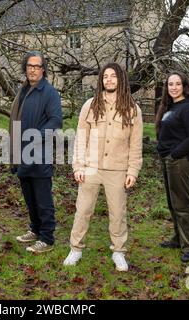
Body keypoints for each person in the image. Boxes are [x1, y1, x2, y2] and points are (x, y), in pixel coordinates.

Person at [63, 63, 143, 271]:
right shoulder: (90, 105)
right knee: (83, 210)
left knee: (118, 213)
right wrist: (78, 166)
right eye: (105, 76)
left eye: (113, 76)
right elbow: (81, 139)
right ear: (101, 81)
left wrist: (132, 171)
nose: (108, 79)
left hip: (117, 169)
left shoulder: (133, 110)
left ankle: (118, 251)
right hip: (90, 167)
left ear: (121, 80)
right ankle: (76, 248)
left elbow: (135, 145)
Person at [9, 51, 63, 253]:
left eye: (37, 66)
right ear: (26, 68)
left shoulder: (49, 92)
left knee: (42, 198)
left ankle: (47, 238)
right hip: (22, 152)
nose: (32, 69)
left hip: (40, 152)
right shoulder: (23, 90)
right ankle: (35, 229)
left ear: (43, 69)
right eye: (30, 66)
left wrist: (35, 137)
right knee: (29, 196)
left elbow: (55, 120)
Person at [155, 71, 189, 263]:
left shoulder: (188, 108)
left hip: (181, 161)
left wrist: (174, 155)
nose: (173, 87)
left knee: (184, 203)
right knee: (173, 202)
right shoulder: (170, 107)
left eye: (177, 84)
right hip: (168, 160)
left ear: (184, 86)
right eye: (170, 84)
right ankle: (179, 238)